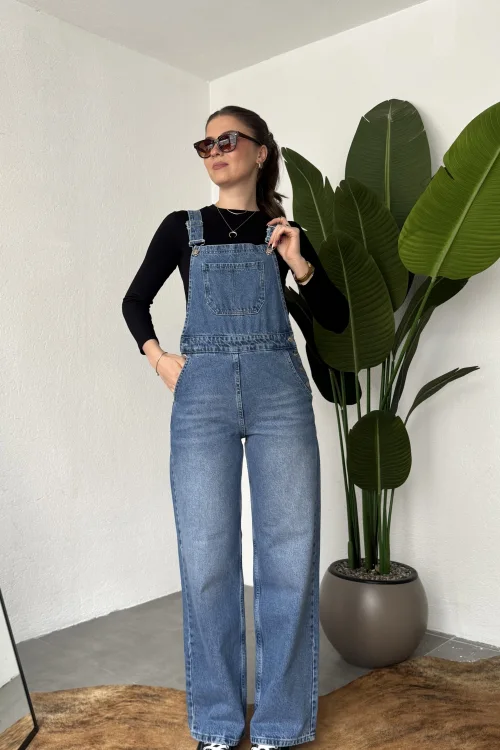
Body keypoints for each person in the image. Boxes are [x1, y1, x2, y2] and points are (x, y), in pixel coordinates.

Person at [122, 105, 349, 750]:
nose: (215, 151)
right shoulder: (182, 227)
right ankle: (218, 724)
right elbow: (134, 301)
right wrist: (160, 360)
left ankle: (280, 723)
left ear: (260, 151)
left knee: (288, 555)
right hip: (203, 399)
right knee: (206, 557)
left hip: (279, 394)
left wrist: (300, 262)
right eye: (206, 144)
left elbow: (334, 317)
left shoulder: (284, 233)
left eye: (228, 139)